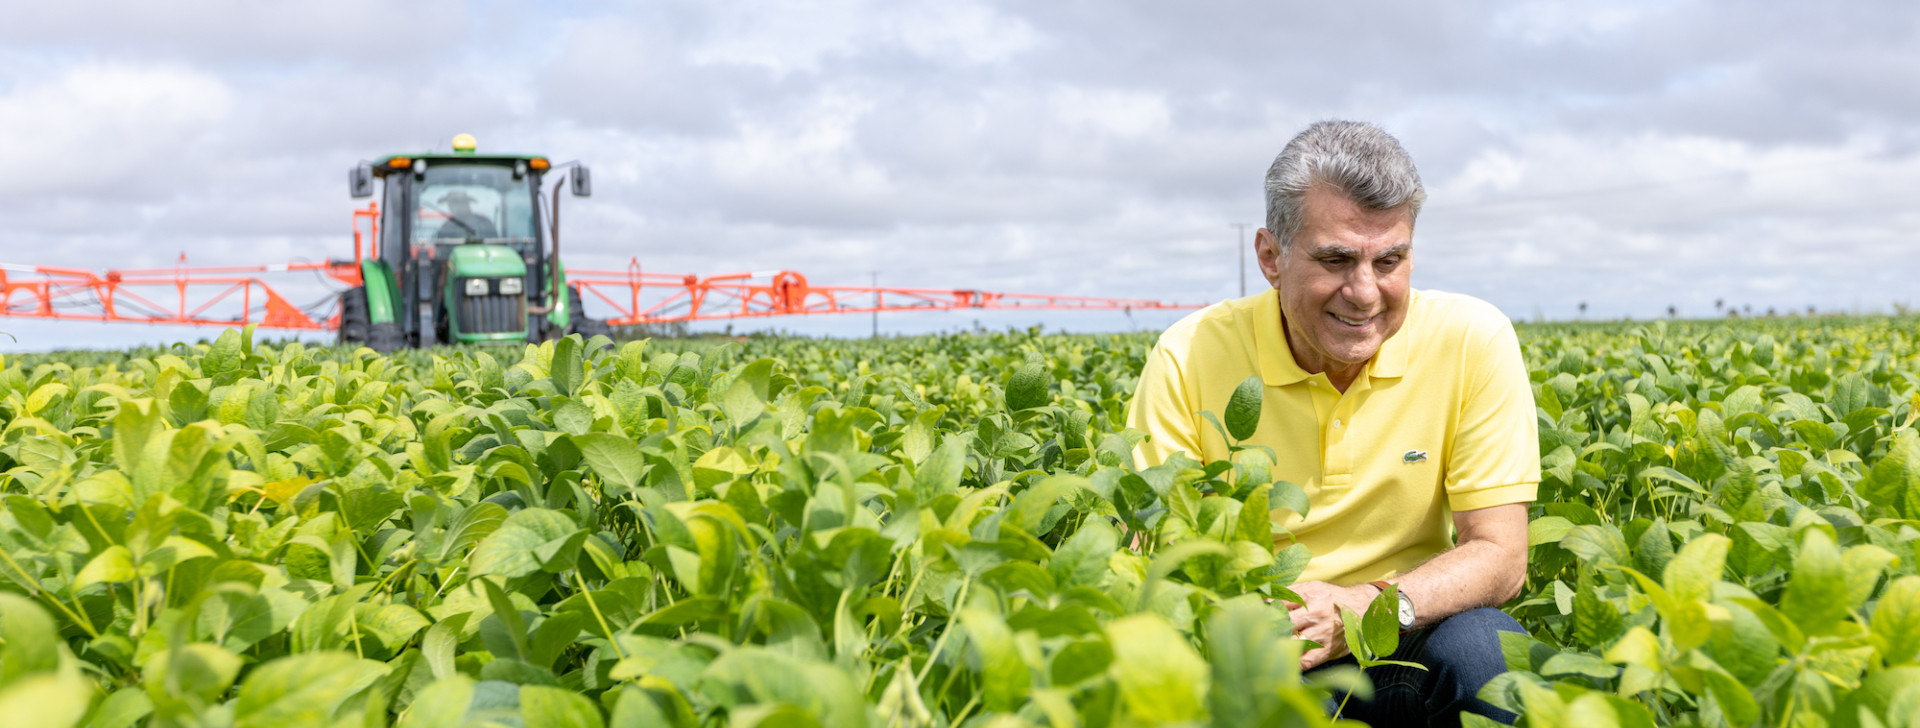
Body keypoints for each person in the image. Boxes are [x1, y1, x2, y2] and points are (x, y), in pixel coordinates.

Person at [1126, 120, 1537, 727]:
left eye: (1389, 260)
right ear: (1270, 257)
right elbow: (1149, 555)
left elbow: (1501, 555)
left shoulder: (1471, 339)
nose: (1365, 292)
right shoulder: (1190, 354)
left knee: (1486, 651)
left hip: (1408, 622)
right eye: (1336, 259)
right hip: (1268, 647)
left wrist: (1363, 608)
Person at [433, 190, 498, 240]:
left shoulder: (485, 223)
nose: (455, 206)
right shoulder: (446, 228)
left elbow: (497, 246)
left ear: (467, 203)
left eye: (460, 202)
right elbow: (441, 252)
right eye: (451, 203)